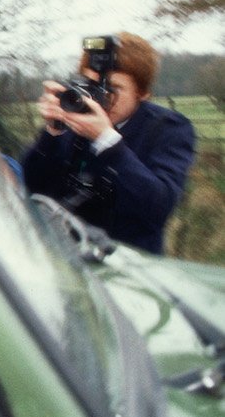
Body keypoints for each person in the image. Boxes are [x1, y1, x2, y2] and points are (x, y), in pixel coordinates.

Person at [21, 31, 195, 254]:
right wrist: (52, 132)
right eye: (91, 85)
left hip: (129, 264)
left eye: (113, 89)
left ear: (142, 93)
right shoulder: (76, 116)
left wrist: (107, 141)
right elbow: (32, 186)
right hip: (68, 254)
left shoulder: (168, 128)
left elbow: (157, 209)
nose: (100, 98)